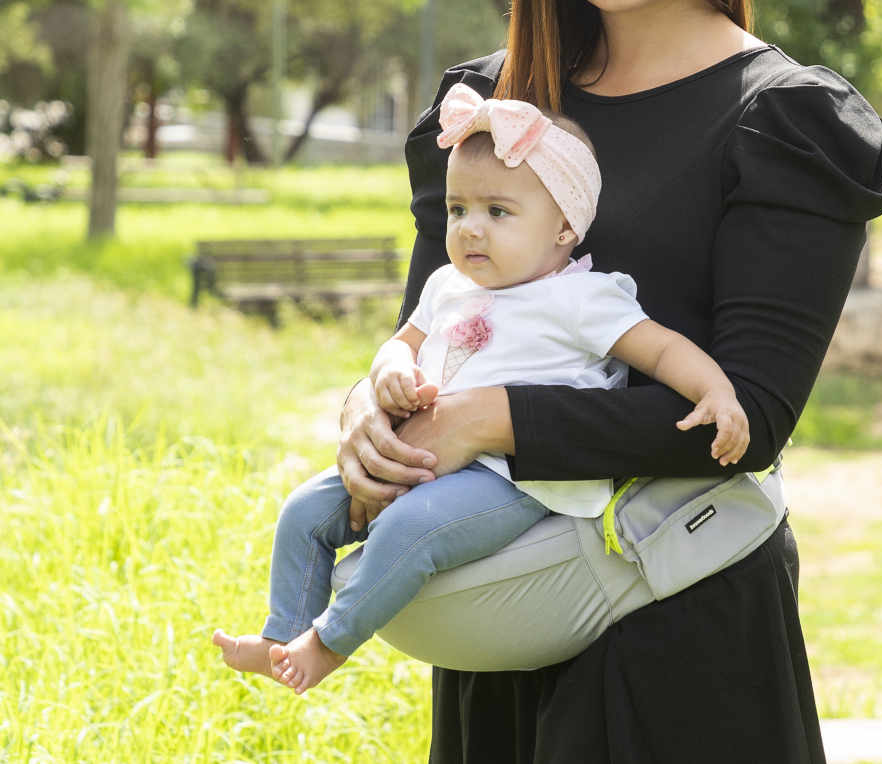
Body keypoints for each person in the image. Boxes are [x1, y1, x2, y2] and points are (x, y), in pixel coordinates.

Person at [338, 0, 882, 762]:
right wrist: (376, 412)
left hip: (681, 631)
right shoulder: (489, 112)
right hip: (501, 617)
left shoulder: (785, 120)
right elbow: (437, 326)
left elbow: (748, 417)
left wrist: (487, 419)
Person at [212, 87, 750, 694]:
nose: (470, 229)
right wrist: (389, 366)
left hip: (513, 478)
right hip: (420, 456)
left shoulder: (581, 297)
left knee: (410, 530)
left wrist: (716, 391)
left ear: (565, 228)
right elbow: (403, 341)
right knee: (305, 512)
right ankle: (284, 634)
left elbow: (660, 347)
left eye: (498, 212)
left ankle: (330, 643)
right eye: (457, 209)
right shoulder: (447, 285)